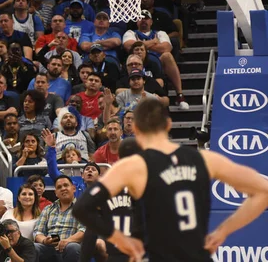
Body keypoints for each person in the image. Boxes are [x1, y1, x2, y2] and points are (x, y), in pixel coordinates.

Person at [73, 98, 268, 261]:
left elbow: (82, 208)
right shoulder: (205, 158)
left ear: (137, 129)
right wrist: (223, 231)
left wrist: (121, 239)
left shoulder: (132, 166)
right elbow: (263, 191)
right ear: (168, 125)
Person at [33, 175, 85, 262]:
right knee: (33, 247)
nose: (63, 188)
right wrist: (44, 240)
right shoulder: (48, 209)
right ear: (56, 193)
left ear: (74, 188)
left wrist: (67, 241)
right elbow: (37, 232)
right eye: (59, 187)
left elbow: (84, 230)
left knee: (73, 247)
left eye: (66, 185)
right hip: (49, 248)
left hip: (70, 247)